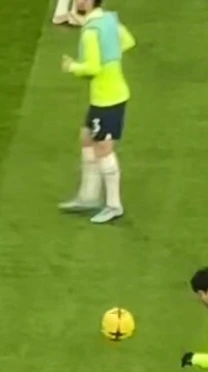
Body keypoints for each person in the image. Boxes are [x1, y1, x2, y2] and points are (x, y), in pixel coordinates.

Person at [60, 0, 135, 224]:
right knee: (86, 137)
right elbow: (128, 41)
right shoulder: (109, 19)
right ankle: (88, 196)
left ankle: (113, 205)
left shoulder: (91, 31)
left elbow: (92, 67)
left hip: (107, 98)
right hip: (109, 94)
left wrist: (72, 66)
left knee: (103, 148)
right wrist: (111, 56)